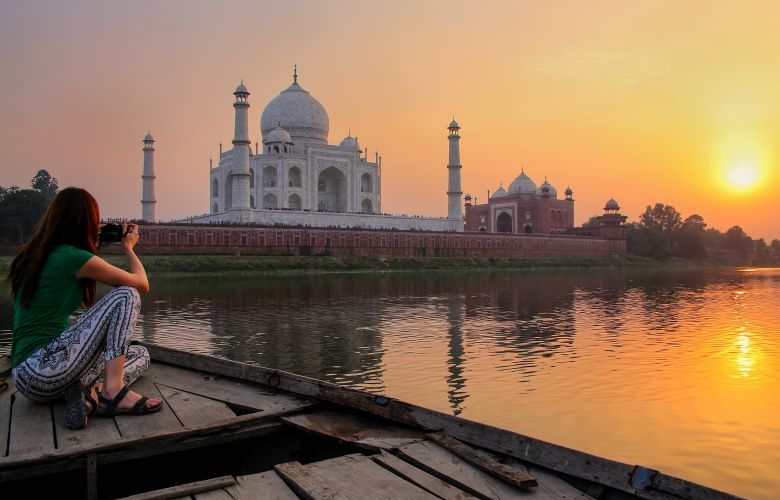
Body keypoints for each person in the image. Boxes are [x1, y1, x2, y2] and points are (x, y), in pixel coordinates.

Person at [6, 187, 162, 430]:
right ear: (85, 222)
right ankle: (112, 392)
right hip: (43, 369)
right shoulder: (72, 257)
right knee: (126, 295)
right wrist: (129, 248)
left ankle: (88, 394)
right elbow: (142, 284)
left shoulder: (31, 255)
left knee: (140, 355)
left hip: (29, 378)